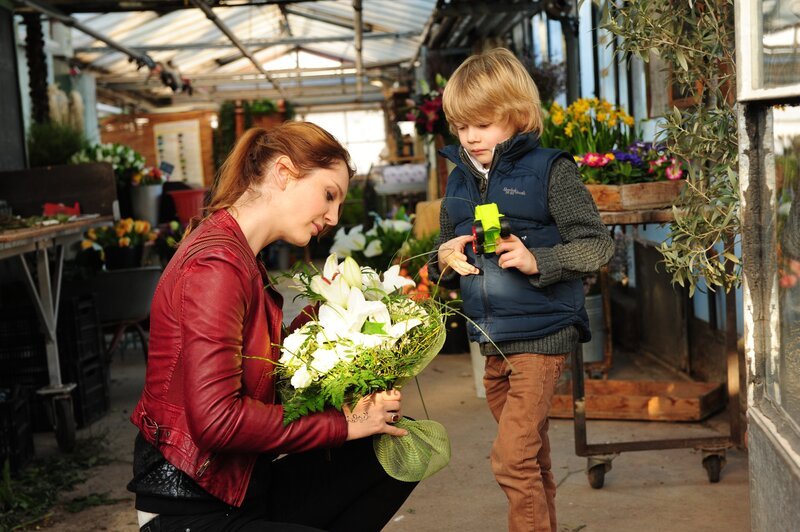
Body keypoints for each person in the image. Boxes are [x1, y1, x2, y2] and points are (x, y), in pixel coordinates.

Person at [127, 122, 416, 532]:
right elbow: (217, 421)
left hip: (241, 488)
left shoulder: (244, 258)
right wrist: (342, 423)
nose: (333, 217)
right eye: (328, 195)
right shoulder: (217, 266)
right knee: (365, 439)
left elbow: (263, 373)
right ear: (284, 172)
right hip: (191, 505)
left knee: (399, 450)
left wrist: (336, 317)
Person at [429, 48, 614, 532]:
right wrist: (443, 258)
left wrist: (541, 260)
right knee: (532, 461)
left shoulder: (552, 170)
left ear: (517, 115)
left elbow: (597, 245)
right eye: (462, 125)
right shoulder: (459, 178)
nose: (470, 137)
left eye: (483, 124)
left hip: (541, 338)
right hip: (493, 344)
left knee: (511, 461)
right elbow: (439, 255)